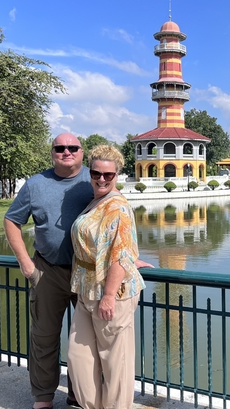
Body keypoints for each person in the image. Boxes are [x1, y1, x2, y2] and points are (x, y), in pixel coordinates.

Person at [5, 133, 91, 409]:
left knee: (86, 339)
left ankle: (79, 394)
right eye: (60, 148)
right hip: (47, 269)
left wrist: (128, 257)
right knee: (44, 337)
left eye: (72, 147)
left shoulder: (97, 179)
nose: (67, 152)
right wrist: (25, 263)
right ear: (52, 152)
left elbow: (119, 216)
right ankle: (43, 397)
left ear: (81, 151)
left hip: (86, 272)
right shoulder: (36, 184)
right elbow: (11, 221)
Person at [67, 145, 147, 409]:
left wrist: (110, 295)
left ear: (117, 175)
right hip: (87, 289)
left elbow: (120, 254)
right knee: (79, 358)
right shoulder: (96, 201)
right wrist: (130, 257)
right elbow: (109, 244)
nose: (101, 179)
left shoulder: (118, 208)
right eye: (96, 173)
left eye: (108, 175)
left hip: (112, 293)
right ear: (90, 173)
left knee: (115, 364)